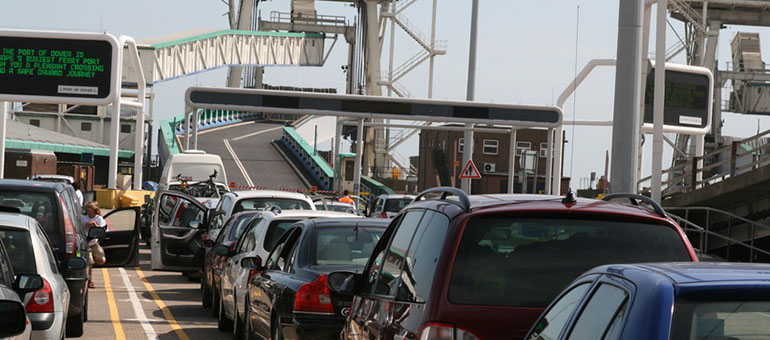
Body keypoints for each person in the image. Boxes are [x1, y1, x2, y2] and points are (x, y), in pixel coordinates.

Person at [81, 201, 106, 288]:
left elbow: (101, 229)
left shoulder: (99, 219)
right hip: (86, 242)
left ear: (94, 209)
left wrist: (94, 224)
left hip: (94, 242)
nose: (87, 209)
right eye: (87, 207)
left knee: (102, 260)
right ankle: (90, 280)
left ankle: (93, 258)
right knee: (90, 263)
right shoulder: (83, 218)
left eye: (89, 207)